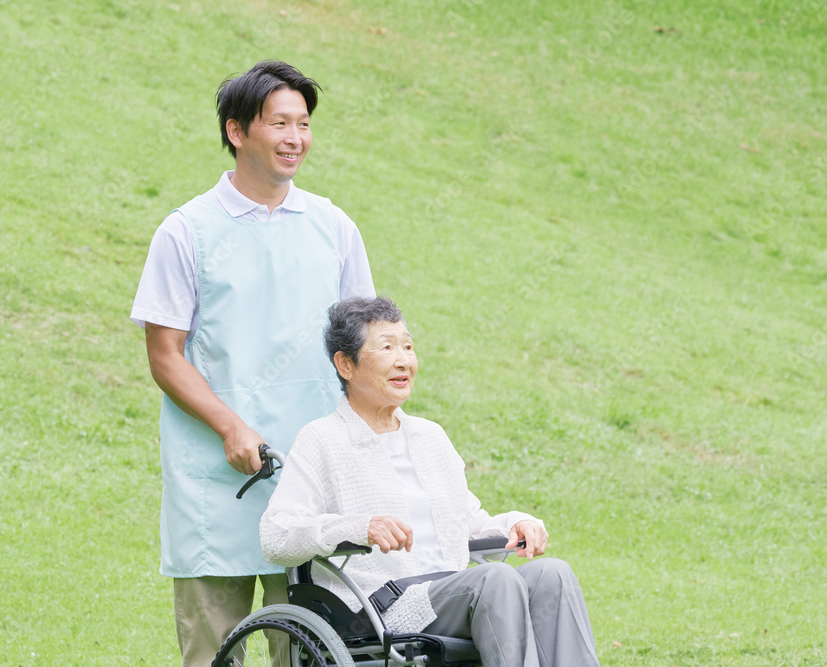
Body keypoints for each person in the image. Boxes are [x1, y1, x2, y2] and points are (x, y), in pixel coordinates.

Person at [130, 61, 375, 666]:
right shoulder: (186, 231)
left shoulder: (334, 228)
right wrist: (230, 426)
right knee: (214, 650)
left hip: (313, 470)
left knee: (313, 650)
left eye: (304, 123)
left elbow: (362, 347)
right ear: (238, 132)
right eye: (280, 123)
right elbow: (165, 355)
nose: (296, 138)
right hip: (220, 478)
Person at [260, 297, 600, 667]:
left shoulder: (429, 436)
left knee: (552, 574)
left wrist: (514, 523)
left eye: (407, 346)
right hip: (382, 607)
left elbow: (466, 522)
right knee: (495, 579)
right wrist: (361, 527)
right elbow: (277, 536)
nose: (404, 359)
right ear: (346, 364)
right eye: (387, 347)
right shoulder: (322, 439)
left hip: (452, 593)